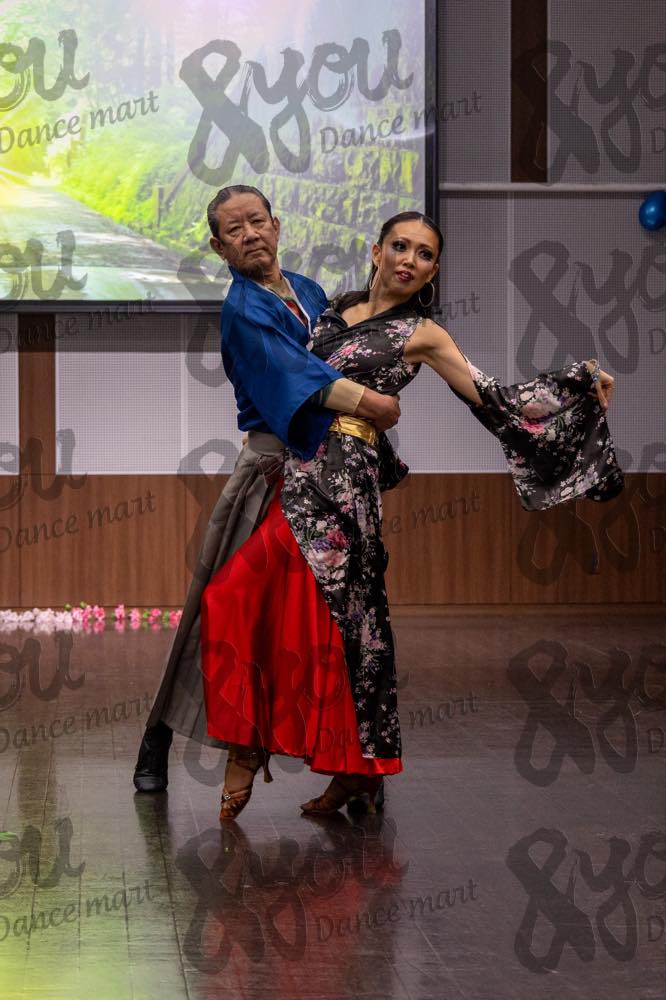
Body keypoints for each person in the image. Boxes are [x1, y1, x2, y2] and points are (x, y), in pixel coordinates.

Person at [200, 210, 621, 819]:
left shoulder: (424, 334)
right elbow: (282, 373)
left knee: (329, 617)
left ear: (432, 271)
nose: (409, 260)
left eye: (424, 255)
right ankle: (333, 763)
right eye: (400, 246)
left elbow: (498, 398)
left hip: (346, 484)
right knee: (284, 610)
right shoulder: (330, 310)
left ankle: (302, 758)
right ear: (377, 251)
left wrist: (578, 379)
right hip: (297, 472)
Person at [133, 185, 400, 800]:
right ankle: (158, 737)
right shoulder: (243, 309)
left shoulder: (308, 292)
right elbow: (302, 378)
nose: (250, 234)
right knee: (218, 603)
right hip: (269, 472)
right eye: (235, 229)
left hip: (329, 473)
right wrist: (371, 403)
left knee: (340, 614)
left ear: (276, 227)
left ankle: (357, 765)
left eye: (257, 221)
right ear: (218, 246)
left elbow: (350, 348)